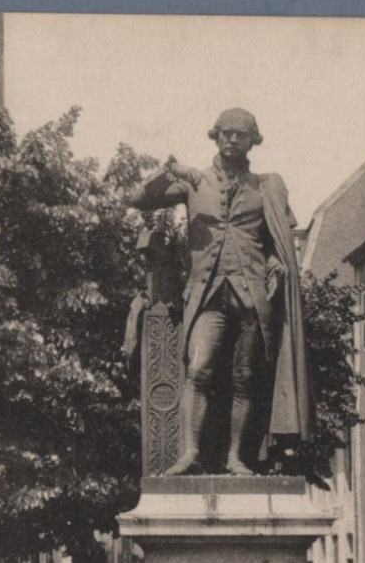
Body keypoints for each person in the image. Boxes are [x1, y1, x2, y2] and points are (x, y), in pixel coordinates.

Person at [129, 108, 312, 475]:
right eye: (226, 133)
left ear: (252, 141)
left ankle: (235, 458)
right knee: (198, 370)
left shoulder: (265, 186)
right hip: (207, 295)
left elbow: (279, 239)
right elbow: (137, 197)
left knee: (245, 379)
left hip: (251, 298)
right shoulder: (193, 182)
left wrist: (277, 262)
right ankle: (190, 452)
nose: (232, 139)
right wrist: (168, 170)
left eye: (240, 134)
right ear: (215, 136)